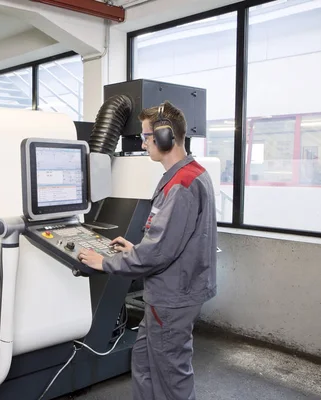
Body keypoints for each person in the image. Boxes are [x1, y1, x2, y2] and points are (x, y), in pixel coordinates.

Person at [78, 101, 217, 400]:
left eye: (145, 136)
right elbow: (170, 241)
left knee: (170, 374)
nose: (142, 143)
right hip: (174, 291)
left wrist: (106, 262)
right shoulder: (191, 173)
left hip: (172, 298)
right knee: (143, 361)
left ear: (165, 137)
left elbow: (158, 254)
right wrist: (137, 248)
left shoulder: (181, 185)